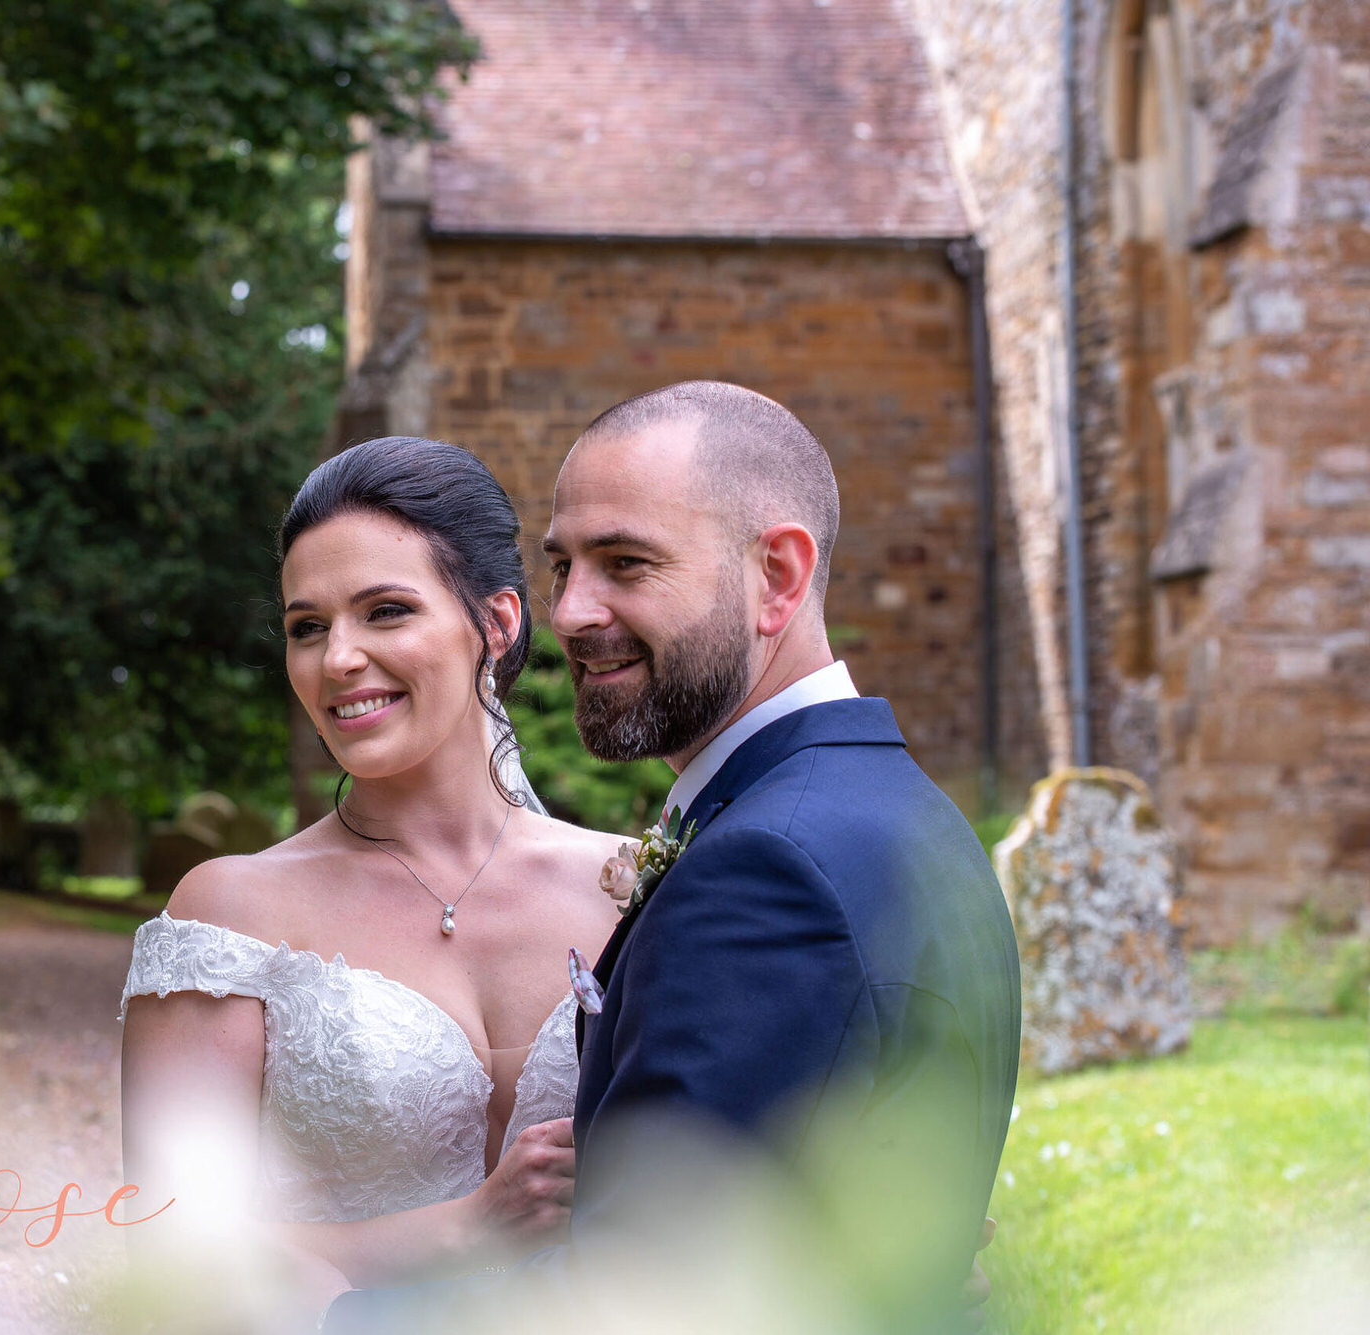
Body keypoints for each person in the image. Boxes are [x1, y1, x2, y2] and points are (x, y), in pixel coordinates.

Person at [319, 381, 1022, 1334]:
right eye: (562, 565)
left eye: (625, 562)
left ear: (777, 576)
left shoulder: (765, 870)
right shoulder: (904, 813)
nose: (568, 611)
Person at [117, 436, 620, 1291]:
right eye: (306, 627)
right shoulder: (229, 912)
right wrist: (461, 1228)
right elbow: (172, 1250)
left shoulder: (632, 884)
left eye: (385, 611)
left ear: (496, 624)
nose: (336, 658)